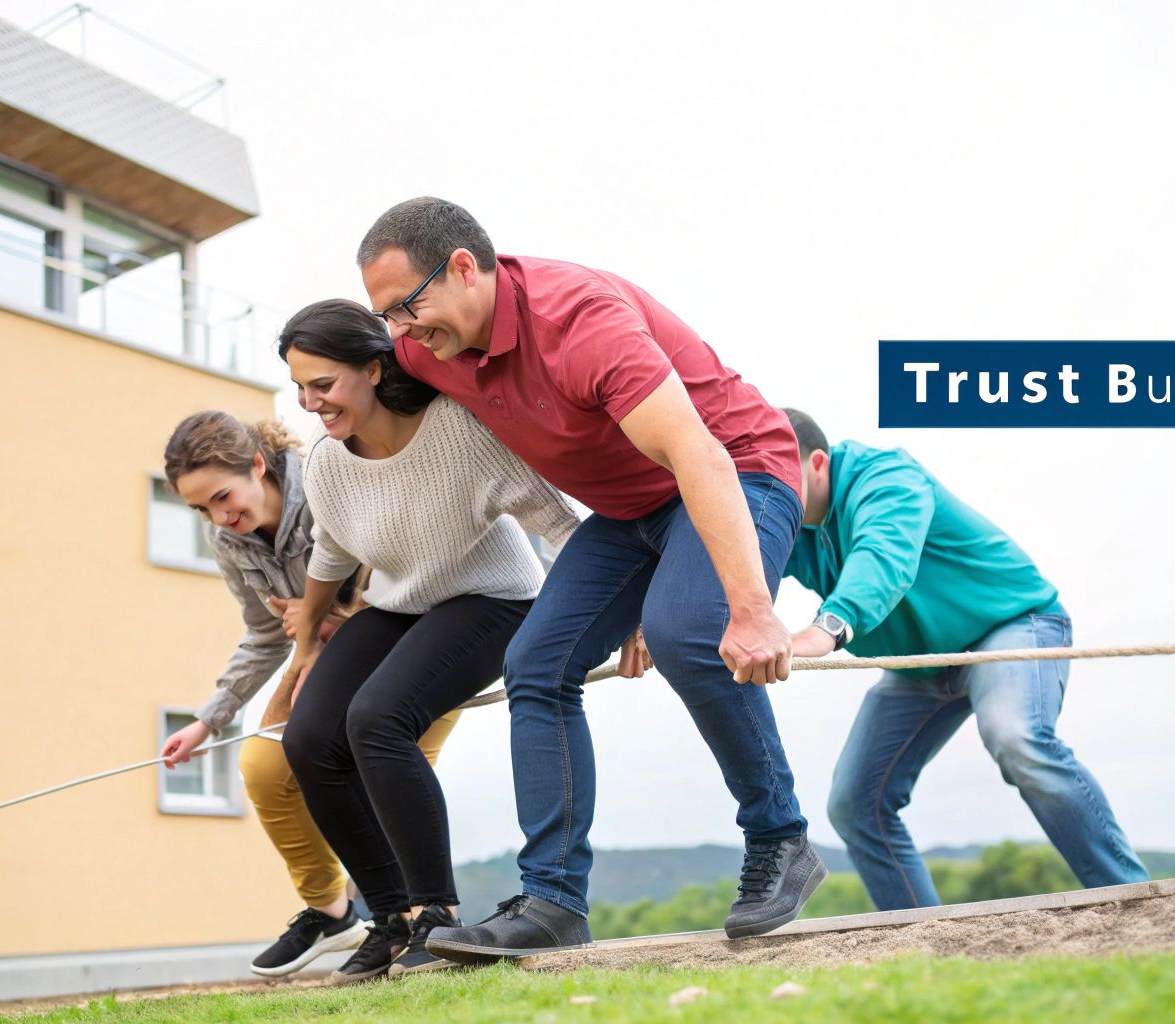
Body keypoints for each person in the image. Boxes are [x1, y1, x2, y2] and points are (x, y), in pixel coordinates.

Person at [353, 197, 826, 961]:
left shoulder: (580, 321)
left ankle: (780, 838)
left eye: (407, 309)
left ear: (465, 268)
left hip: (735, 469)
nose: (403, 333)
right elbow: (368, 400)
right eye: (387, 320)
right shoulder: (422, 348)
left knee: (684, 631)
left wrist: (750, 608)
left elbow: (697, 457)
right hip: (629, 510)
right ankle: (552, 903)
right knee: (534, 663)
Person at [274, 298, 583, 980]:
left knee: (378, 719)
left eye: (322, 384)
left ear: (375, 369)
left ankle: (434, 914)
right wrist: (305, 646)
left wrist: (628, 614)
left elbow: (559, 522)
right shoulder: (328, 462)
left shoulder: (458, 431)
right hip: (400, 604)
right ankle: (388, 919)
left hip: (493, 597)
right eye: (299, 388)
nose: (310, 402)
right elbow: (330, 555)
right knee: (308, 737)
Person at [778, 408, 1149, 911]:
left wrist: (827, 628)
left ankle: (1132, 899)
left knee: (1016, 738)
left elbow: (882, 553)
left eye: (778, 474)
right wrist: (648, 624)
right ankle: (923, 936)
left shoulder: (885, 475)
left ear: (817, 463)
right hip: (926, 664)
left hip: (1011, 624)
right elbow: (733, 566)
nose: (766, 492)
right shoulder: (786, 524)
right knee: (853, 803)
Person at [159, 413, 462, 976]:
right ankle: (334, 911)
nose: (220, 518)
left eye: (223, 497)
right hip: (320, 654)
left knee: (381, 759)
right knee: (266, 766)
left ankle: (424, 919)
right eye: (202, 509)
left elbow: (414, 578)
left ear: (256, 464)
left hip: (415, 638)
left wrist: (331, 614)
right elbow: (264, 632)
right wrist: (209, 720)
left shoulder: (337, 479)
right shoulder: (228, 537)